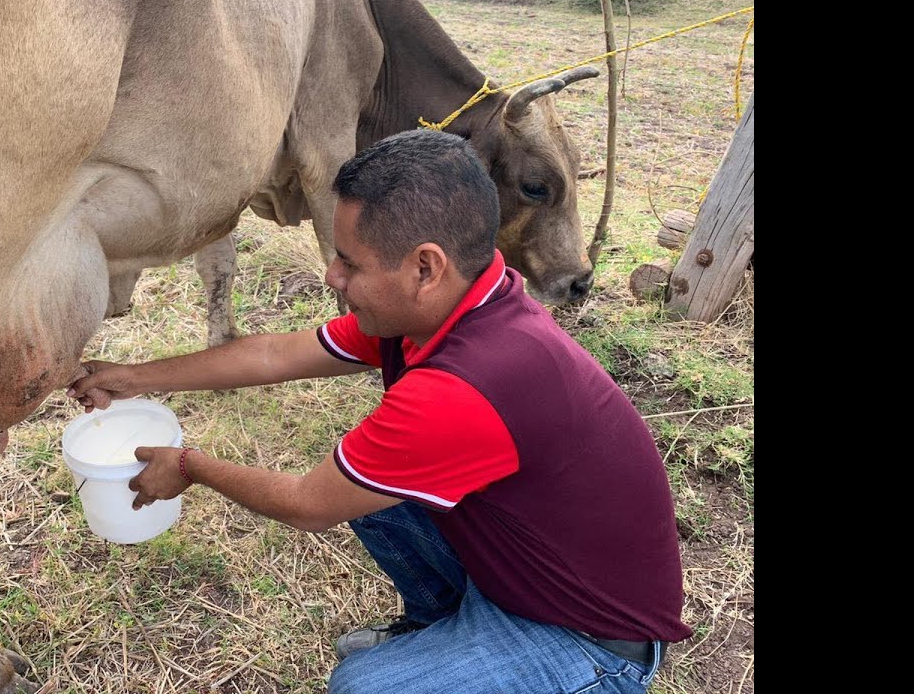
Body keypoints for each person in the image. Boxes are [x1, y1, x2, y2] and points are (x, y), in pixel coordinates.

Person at [66, 128, 691, 693]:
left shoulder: (467, 385)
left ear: (425, 265)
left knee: (365, 685)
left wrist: (190, 464)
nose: (333, 276)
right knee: (372, 490)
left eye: (350, 262)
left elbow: (308, 504)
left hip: (588, 641)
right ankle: (444, 630)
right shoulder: (458, 302)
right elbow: (271, 358)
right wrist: (132, 378)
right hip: (528, 569)